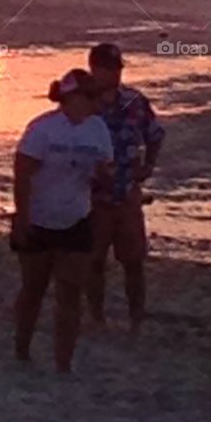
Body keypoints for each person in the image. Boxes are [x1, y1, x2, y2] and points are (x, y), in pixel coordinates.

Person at [12, 69, 113, 372]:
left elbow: (104, 173)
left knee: (70, 293)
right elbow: (23, 175)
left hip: (76, 219)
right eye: (91, 96)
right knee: (34, 289)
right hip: (40, 219)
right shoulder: (43, 129)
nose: (98, 102)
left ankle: (63, 363)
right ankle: (22, 350)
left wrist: (103, 177)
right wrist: (22, 218)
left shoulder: (98, 129)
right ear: (73, 98)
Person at [87, 42, 165, 333]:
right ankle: (96, 317)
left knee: (134, 260)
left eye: (117, 68)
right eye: (108, 69)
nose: (114, 74)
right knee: (94, 260)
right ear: (94, 69)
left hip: (128, 192)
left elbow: (156, 134)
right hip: (93, 195)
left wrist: (149, 166)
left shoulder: (135, 101)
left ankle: (136, 320)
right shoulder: (85, 106)